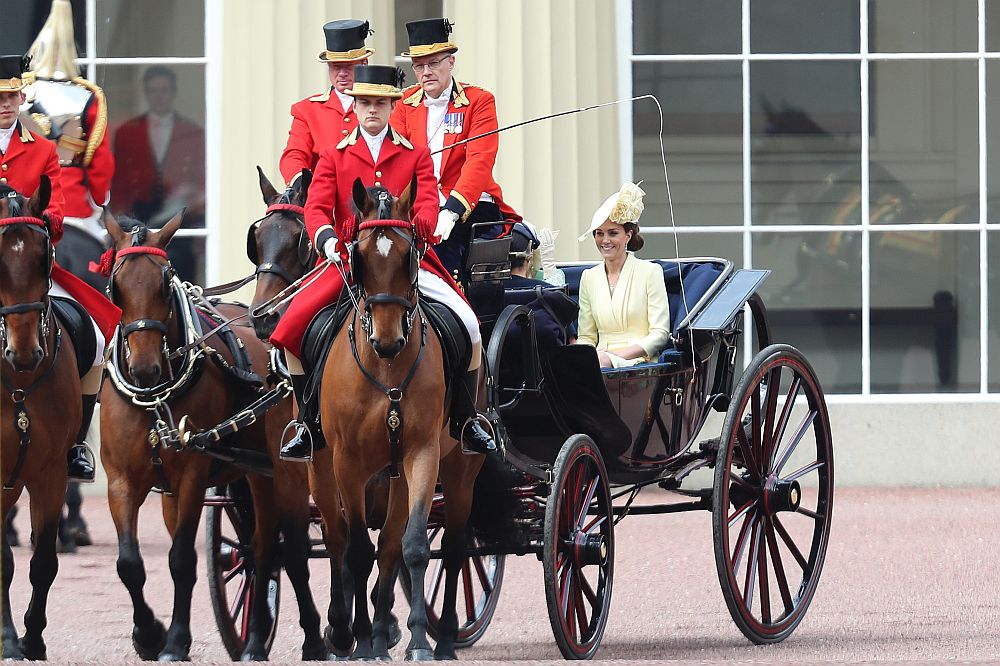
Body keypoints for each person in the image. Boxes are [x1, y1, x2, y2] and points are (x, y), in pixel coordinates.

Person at [268, 65, 497, 460]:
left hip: (404, 267)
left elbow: (426, 200)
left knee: (471, 326)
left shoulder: (416, 154)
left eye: (379, 103)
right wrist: (325, 239)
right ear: (354, 107)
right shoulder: (333, 156)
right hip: (347, 264)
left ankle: (465, 418)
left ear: (393, 107)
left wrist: (428, 223)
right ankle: (308, 424)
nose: (371, 110)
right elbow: (317, 208)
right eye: (364, 103)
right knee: (289, 332)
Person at [0, 54, 121, 482]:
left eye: (11, 96)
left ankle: (75, 444)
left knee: (89, 338)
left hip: (31, 265)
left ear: (22, 97)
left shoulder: (44, 149)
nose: (5, 105)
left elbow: (56, 211)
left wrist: (33, 224)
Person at [390, 18, 522, 280]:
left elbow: (480, 161)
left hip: (469, 207)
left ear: (451, 62)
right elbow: (397, 161)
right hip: (420, 208)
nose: (426, 71)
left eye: (434, 63)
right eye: (419, 66)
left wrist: (452, 210)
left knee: (442, 255)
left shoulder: (478, 101)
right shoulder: (404, 103)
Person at [20, 0, 114, 242]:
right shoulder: (88, 97)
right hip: (74, 208)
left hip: (23, 203)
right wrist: (100, 200)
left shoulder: (16, 95)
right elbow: (100, 165)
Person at [576, 182, 670, 369]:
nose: (605, 240)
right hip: (598, 361)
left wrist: (615, 355)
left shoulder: (650, 272)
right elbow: (586, 336)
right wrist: (584, 357)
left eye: (613, 233)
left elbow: (660, 333)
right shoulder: (589, 277)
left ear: (628, 235)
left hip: (639, 361)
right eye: (599, 234)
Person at [278, 19, 375, 187]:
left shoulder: (381, 105)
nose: (342, 74)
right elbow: (294, 154)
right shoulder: (307, 110)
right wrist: (302, 184)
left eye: (349, 66)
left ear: (364, 63)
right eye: (336, 67)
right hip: (323, 198)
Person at [111, 65, 205, 228]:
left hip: (181, 218)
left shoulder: (192, 132)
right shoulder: (126, 132)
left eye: (164, 90)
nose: (159, 96)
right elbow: (119, 179)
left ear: (173, 92)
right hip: (137, 214)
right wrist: (119, 216)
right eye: (153, 90)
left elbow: (200, 177)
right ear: (146, 93)